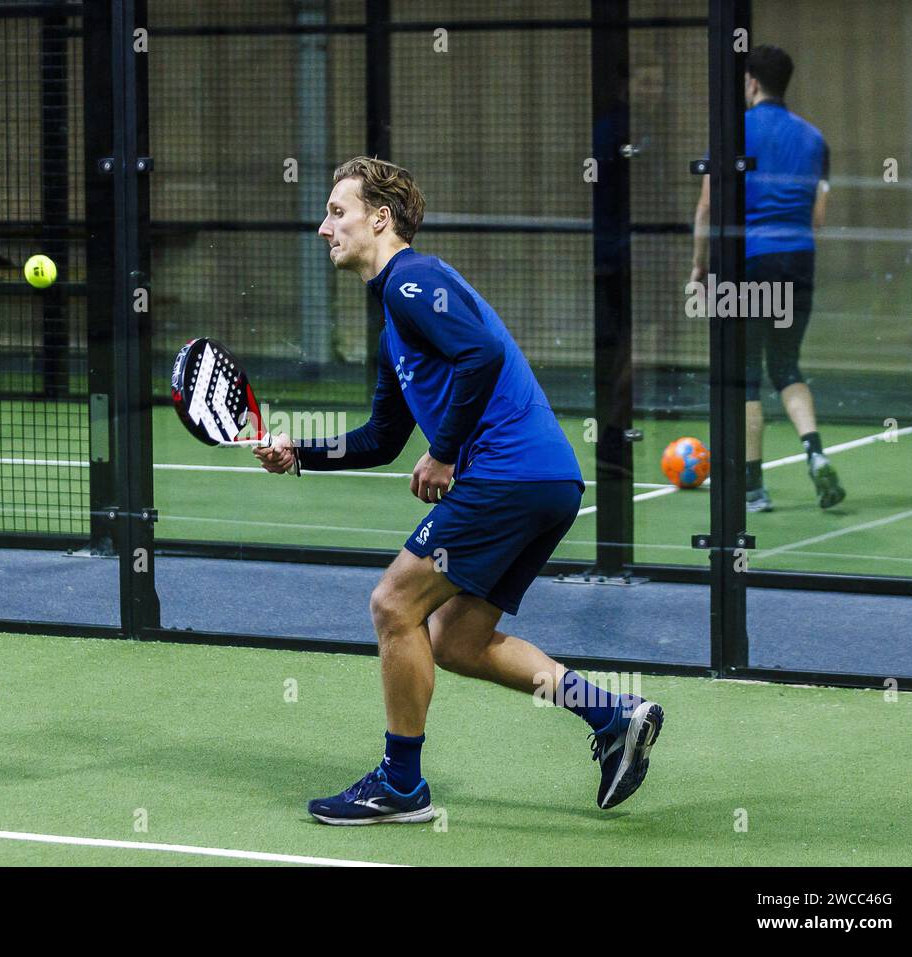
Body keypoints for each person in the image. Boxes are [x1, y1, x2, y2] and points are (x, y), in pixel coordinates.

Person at [254, 156, 665, 823]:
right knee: (455, 639)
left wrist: (444, 453)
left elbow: (483, 354)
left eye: (337, 212)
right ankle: (614, 714)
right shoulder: (397, 317)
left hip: (506, 472)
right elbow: (384, 437)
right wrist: (298, 453)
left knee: (393, 604)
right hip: (545, 481)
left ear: (380, 218)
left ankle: (400, 785)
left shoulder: (410, 280)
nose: (324, 228)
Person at [691, 44, 845, 511]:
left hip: (748, 265)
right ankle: (815, 453)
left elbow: (706, 207)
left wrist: (699, 267)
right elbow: (818, 216)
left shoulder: (731, 132)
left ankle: (754, 488)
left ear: (752, 82)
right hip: (799, 260)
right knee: (786, 366)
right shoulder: (815, 139)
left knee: (744, 378)